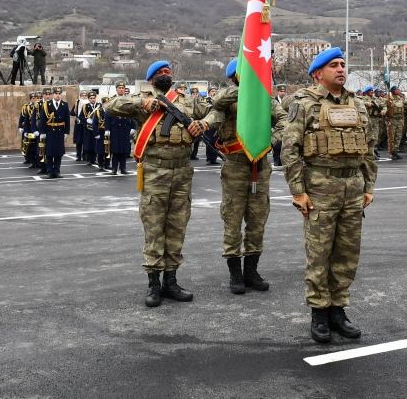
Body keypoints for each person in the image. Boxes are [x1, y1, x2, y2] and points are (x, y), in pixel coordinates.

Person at [280, 47, 376, 344]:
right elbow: (290, 150)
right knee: (320, 254)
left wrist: (369, 185)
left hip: (353, 189)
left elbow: (369, 148)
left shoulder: (358, 105)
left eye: (343, 64)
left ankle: (338, 309)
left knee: (347, 254)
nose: (341, 69)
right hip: (320, 188)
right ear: (317, 73)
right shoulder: (304, 104)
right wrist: (298, 191)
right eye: (333, 65)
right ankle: (319, 312)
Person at [104, 60, 210, 308]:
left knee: (177, 227)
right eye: (160, 73)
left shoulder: (185, 101)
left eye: (168, 72)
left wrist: (202, 124)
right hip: (155, 172)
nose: (165, 74)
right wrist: (143, 103)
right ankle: (154, 284)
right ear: (151, 79)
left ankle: (171, 281)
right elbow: (110, 106)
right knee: (154, 229)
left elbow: (213, 111)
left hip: (183, 172)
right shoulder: (142, 100)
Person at [203, 58, 287, 295]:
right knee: (232, 220)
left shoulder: (264, 99)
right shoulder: (226, 100)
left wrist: (271, 141)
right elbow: (215, 107)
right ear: (234, 77)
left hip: (259, 166)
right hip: (235, 167)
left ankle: (251, 270)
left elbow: (284, 121)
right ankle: (235, 273)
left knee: (257, 220)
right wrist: (244, 89)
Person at [40, 86, 72, 178]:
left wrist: (66, 132)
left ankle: (57, 171)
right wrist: (42, 132)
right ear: (53, 94)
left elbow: (67, 119)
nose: (58, 95)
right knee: (49, 153)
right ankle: (50, 171)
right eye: (56, 94)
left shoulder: (64, 105)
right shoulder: (46, 104)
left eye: (59, 94)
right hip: (49, 131)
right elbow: (42, 119)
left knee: (59, 152)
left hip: (60, 132)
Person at [106, 82, 135, 175]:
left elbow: (132, 114)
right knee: (115, 149)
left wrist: (133, 127)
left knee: (124, 149)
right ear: (116, 89)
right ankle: (114, 168)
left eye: (123, 88)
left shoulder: (128, 100)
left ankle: (123, 168)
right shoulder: (112, 100)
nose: (121, 89)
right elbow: (108, 115)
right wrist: (107, 129)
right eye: (119, 88)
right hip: (115, 128)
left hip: (125, 128)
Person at [271, 83, 289, 166]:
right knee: (276, 146)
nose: (283, 93)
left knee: (285, 146)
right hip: (276, 127)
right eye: (281, 91)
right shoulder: (274, 101)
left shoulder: (288, 101)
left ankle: (283, 161)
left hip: (286, 127)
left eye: (284, 91)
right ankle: (276, 161)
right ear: (278, 92)